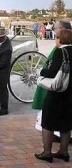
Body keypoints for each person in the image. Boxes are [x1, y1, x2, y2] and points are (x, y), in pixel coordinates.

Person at [34, 29, 72, 163]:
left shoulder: (60, 51)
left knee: (48, 121)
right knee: (66, 123)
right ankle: (64, 151)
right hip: (70, 94)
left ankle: (47, 152)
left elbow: (52, 72)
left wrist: (41, 71)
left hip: (57, 92)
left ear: (60, 39)